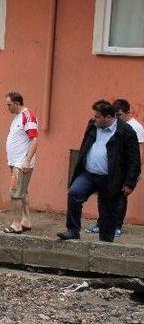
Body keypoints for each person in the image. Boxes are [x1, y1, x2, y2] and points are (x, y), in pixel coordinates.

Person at [58, 100, 140, 242]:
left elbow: (134, 159)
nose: (94, 119)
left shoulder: (125, 131)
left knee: (108, 211)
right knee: (74, 193)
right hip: (88, 174)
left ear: (108, 117)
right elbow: (85, 145)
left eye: (97, 117)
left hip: (111, 177)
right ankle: (73, 230)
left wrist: (129, 182)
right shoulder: (93, 126)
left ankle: (105, 242)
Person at [86, 99, 144, 236]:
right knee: (104, 195)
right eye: (115, 115)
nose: (117, 118)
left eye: (119, 115)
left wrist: (137, 171)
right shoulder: (113, 125)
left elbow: (140, 150)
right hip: (111, 168)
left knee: (120, 196)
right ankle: (102, 224)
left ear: (127, 112)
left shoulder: (135, 128)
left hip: (126, 169)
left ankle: (117, 226)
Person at [2, 91, 38, 234]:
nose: (7, 108)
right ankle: (26, 220)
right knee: (22, 192)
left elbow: (34, 139)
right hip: (16, 162)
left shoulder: (27, 116)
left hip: (21, 163)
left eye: (9, 105)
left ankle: (16, 224)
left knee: (15, 193)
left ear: (17, 103)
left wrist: (27, 160)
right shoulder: (18, 117)